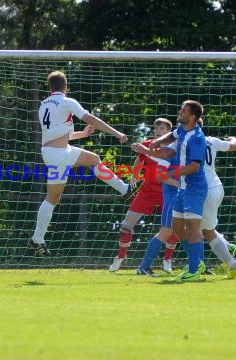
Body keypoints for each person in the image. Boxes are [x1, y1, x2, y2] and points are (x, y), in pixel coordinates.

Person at [29, 70, 139, 256]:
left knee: (54, 197)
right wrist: (117, 133)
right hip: (60, 153)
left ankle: (37, 239)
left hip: (53, 152)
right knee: (55, 195)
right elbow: (92, 119)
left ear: (50, 87)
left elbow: (56, 134)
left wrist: (81, 135)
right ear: (66, 86)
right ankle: (124, 189)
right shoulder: (66, 101)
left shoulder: (43, 105)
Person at [108, 118, 179, 272]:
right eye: (157, 128)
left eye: (162, 128)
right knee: (126, 225)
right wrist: (134, 175)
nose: (159, 131)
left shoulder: (174, 147)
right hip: (147, 191)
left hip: (168, 191)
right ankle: (120, 257)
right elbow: (140, 160)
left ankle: (167, 260)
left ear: (169, 132)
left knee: (173, 227)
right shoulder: (147, 144)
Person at [150, 100, 208, 281]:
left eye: (183, 111)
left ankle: (193, 270)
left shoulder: (198, 138)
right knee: (176, 226)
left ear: (192, 117)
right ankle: (196, 261)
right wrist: (156, 142)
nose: (179, 112)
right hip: (183, 187)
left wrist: (172, 172)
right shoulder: (182, 129)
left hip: (195, 188)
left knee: (192, 227)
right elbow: (170, 137)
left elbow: (194, 167)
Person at [199, 133, 236, 278]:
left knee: (200, 230)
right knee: (202, 228)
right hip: (216, 187)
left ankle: (232, 264)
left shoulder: (186, 140)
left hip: (204, 190)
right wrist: (232, 138)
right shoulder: (211, 140)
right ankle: (228, 248)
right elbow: (235, 145)